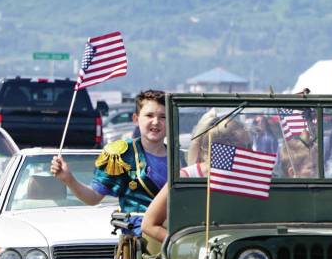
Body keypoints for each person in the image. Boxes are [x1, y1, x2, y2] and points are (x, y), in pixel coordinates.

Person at [50, 90, 167, 229]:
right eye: (149, 115)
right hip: (141, 242)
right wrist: (69, 179)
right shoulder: (121, 154)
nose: (156, 122)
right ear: (136, 119)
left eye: (163, 117)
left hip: (178, 239)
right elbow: (93, 197)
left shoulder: (180, 159)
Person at [141, 111, 255, 244]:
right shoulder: (186, 177)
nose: (251, 153)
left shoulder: (250, 179)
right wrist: (184, 245)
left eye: (250, 146)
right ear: (221, 148)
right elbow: (149, 224)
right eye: (244, 147)